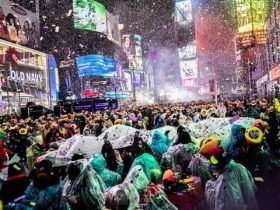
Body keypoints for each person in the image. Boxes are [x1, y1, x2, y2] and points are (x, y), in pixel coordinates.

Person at [199, 137, 259, 210]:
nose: (213, 173)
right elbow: (253, 187)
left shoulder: (224, 183)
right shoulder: (240, 167)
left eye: (213, 170)